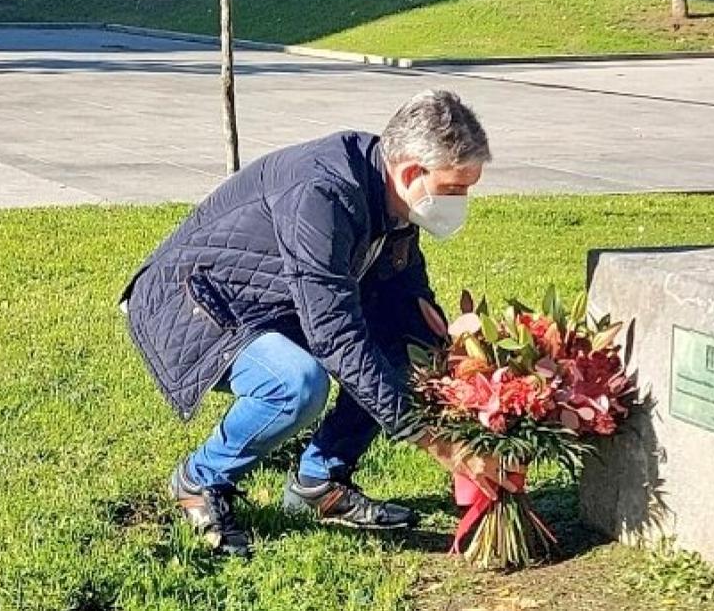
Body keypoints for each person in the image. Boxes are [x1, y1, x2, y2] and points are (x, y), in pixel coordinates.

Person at [119, 90, 510, 556]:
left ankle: (317, 483)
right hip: (193, 305)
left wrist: (443, 347)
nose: (462, 201)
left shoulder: (390, 191)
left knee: (410, 348)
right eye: (455, 189)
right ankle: (199, 480)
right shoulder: (321, 194)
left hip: (275, 302)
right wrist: (431, 439)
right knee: (296, 384)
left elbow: (401, 285)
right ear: (411, 173)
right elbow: (335, 335)